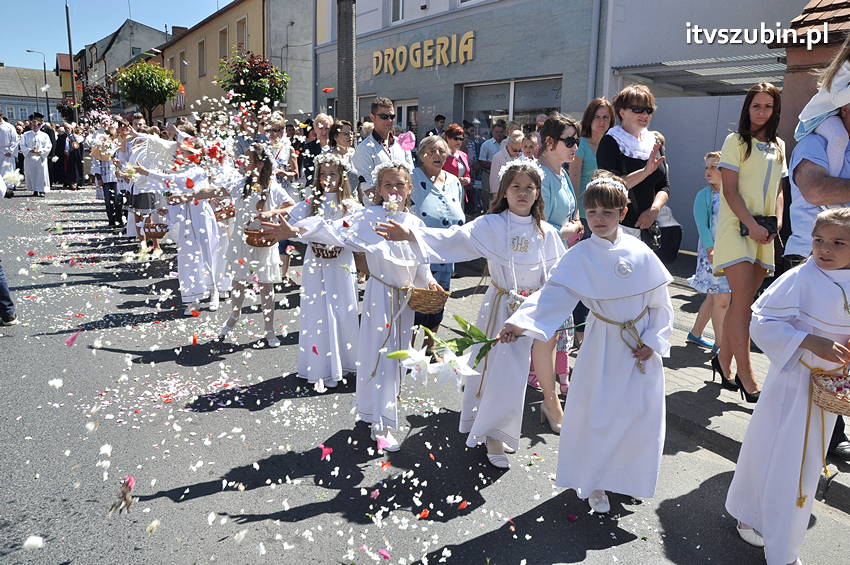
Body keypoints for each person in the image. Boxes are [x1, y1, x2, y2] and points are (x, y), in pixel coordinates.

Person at [499, 174, 674, 513]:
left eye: (607, 212)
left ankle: (626, 477)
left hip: (640, 348)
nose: (598, 219)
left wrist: (652, 340)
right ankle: (594, 481)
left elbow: (661, 304)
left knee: (637, 416)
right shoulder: (579, 256)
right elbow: (551, 297)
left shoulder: (641, 251)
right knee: (599, 414)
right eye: (591, 212)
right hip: (603, 346)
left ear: (622, 213)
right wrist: (518, 322)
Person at [376, 159, 566, 467]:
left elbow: (560, 275)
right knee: (501, 373)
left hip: (536, 310)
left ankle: (522, 416)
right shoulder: (491, 225)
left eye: (529, 188)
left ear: (538, 193)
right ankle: (493, 435)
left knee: (520, 377)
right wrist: (411, 236)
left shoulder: (547, 233)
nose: (522, 193)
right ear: (504, 191)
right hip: (503, 308)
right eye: (515, 187)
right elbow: (453, 238)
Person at [263, 162, 439, 452]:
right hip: (380, 294)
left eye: (399, 185)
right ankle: (380, 424)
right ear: (378, 190)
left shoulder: (415, 223)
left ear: (409, 188)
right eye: (387, 185)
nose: (394, 190)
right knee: (379, 355)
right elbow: (332, 230)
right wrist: (294, 230)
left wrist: (429, 282)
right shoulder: (368, 216)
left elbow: (421, 262)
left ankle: (373, 408)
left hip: (406, 300)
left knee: (397, 360)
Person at [725, 208, 850, 565]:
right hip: (793, 385)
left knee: (800, 463)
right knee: (779, 457)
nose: (824, 250)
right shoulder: (800, 277)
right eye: (818, 241)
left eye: (838, 243)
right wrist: (810, 342)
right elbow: (761, 323)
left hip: (830, 391)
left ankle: (764, 520)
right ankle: (776, 541)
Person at [786, 44, 850, 462]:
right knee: (811, 351)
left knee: (842, 348)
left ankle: (832, 426)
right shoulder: (818, 136)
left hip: (845, 266)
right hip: (812, 261)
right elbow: (813, 188)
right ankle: (803, 430)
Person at [713, 82, 787, 403]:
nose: (762, 112)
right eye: (756, 106)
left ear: (775, 110)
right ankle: (747, 376)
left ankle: (721, 360)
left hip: (765, 232)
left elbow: (780, 191)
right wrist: (751, 224)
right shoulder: (736, 141)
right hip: (737, 227)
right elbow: (729, 191)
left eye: (767, 107)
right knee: (743, 305)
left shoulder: (779, 145)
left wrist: (777, 222)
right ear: (748, 108)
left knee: (740, 304)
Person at [284, 153, 361, 387]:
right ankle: (319, 365)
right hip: (316, 262)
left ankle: (346, 362)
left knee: (342, 309)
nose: (328, 179)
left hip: (341, 263)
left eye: (333, 174)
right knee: (318, 309)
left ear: (342, 177)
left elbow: (356, 234)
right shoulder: (310, 204)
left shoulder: (350, 205)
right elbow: (294, 225)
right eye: (324, 174)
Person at [531, 113, 584, 428]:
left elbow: (571, 211)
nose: (575, 146)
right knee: (547, 334)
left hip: (561, 263)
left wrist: (573, 226)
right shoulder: (538, 175)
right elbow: (539, 226)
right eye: (569, 141)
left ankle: (550, 394)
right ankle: (550, 401)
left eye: (576, 140)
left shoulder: (561, 173)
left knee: (556, 334)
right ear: (548, 143)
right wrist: (572, 228)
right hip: (541, 267)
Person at [409, 135, 466, 356]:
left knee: (439, 302)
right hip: (420, 253)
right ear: (421, 154)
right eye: (431, 150)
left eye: (442, 151)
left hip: (446, 253)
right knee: (417, 304)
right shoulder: (412, 178)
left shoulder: (453, 181)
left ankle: (429, 347)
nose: (437, 155)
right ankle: (408, 348)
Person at [596, 84, 669, 240]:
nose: (645, 114)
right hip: (619, 227)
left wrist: (654, 210)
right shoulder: (610, 141)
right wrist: (644, 172)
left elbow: (664, 186)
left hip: (648, 227)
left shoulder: (654, 141)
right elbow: (608, 187)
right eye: (637, 109)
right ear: (622, 111)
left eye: (649, 110)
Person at [687, 152, 730, 355]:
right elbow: (702, 226)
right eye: (706, 167)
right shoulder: (704, 196)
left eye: (714, 167)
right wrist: (711, 248)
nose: (708, 171)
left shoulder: (733, 194)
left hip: (730, 253)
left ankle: (695, 333)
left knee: (714, 298)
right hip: (711, 254)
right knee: (722, 299)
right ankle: (721, 346)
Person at [351, 97, 414, 204]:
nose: (389, 121)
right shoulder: (364, 148)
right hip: (376, 211)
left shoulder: (400, 144)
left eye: (392, 116)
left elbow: (410, 177)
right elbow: (368, 189)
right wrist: (392, 206)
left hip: (403, 208)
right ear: (372, 117)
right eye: (384, 117)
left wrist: (403, 205)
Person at [266, 112, 300, 283]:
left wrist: (283, 172)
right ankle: (270, 268)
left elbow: (296, 174)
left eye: (278, 130)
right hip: (268, 193)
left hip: (285, 192)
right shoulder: (264, 148)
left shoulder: (289, 149)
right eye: (270, 130)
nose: (274, 134)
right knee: (268, 230)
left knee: (284, 233)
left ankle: (285, 272)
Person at [441, 123, 473, 212]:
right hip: (445, 193)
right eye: (456, 138)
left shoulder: (463, 155)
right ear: (447, 138)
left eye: (461, 139)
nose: (459, 142)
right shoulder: (441, 155)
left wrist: (467, 179)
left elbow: (467, 174)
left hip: (460, 193)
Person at [488, 130, 524, 206]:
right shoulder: (497, 157)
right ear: (508, 145)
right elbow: (494, 182)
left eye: (519, 150)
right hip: (502, 197)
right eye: (515, 150)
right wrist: (497, 201)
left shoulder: (522, 156)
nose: (517, 152)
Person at [19, 119, 51, 197]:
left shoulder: (44, 135)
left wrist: (40, 151)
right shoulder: (26, 135)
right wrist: (30, 150)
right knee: (32, 174)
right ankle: (35, 190)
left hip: (40, 158)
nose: (35, 127)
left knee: (41, 174)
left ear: (39, 125)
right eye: (33, 125)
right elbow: (22, 145)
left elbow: (48, 146)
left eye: (37, 125)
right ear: (31, 126)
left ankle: (42, 190)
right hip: (30, 157)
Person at [302, 112, 333, 186]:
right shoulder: (309, 147)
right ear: (315, 129)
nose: (324, 132)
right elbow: (309, 172)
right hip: (315, 187)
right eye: (321, 128)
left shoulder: (335, 146)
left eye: (327, 128)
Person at [478, 120, 506, 197]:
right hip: (488, 174)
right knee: (487, 196)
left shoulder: (507, 145)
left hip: (504, 175)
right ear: (492, 132)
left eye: (501, 132)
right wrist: (496, 165)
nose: (499, 134)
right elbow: (481, 161)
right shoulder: (486, 145)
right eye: (497, 132)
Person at [63, 123, 85, 190]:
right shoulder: (63, 136)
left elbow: (78, 146)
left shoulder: (75, 137)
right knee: (68, 170)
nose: (67, 130)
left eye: (68, 128)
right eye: (66, 128)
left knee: (75, 170)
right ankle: (69, 182)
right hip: (65, 156)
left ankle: (75, 183)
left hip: (74, 155)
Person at [0, 111, 18, 176]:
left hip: (7, 152)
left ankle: (9, 186)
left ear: (1, 116)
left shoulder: (9, 126)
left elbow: (15, 140)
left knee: (7, 172)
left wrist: (10, 151)